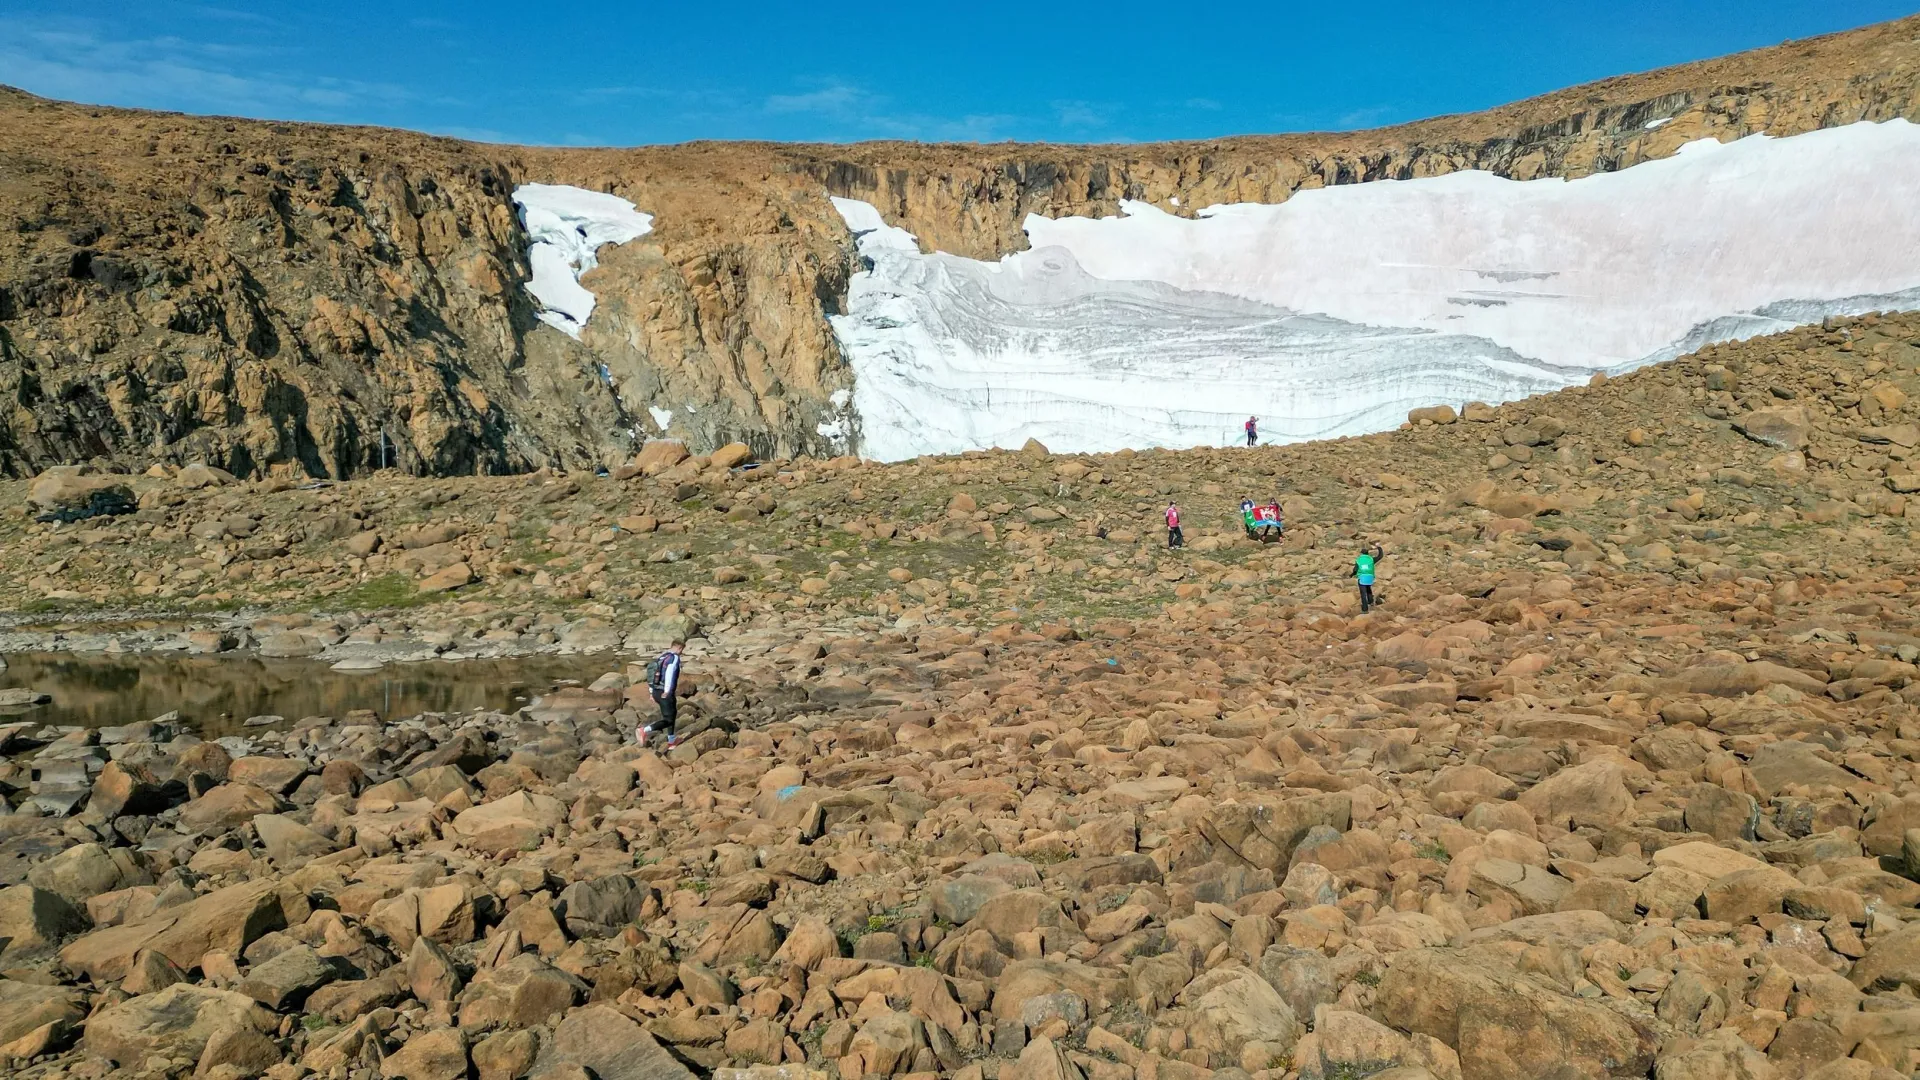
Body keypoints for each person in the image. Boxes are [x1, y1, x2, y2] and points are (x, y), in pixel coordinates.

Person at [638, 639, 685, 748]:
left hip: (655, 691)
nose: (682, 652)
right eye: (682, 650)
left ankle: (672, 740)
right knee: (668, 719)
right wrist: (667, 691)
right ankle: (644, 730)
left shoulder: (662, 656)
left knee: (671, 714)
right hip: (665, 692)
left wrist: (651, 692)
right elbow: (669, 673)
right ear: (679, 648)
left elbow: (652, 674)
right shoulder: (674, 658)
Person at [1345, 543, 1385, 613]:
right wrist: (1379, 547)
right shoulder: (1371, 559)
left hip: (1362, 578)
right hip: (1370, 578)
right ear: (1367, 554)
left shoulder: (1359, 560)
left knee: (1363, 593)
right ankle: (1371, 601)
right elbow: (1380, 556)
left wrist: (1351, 575)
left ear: (1361, 554)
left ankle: (1365, 609)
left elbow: (1355, 570)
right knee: (1368, 588)